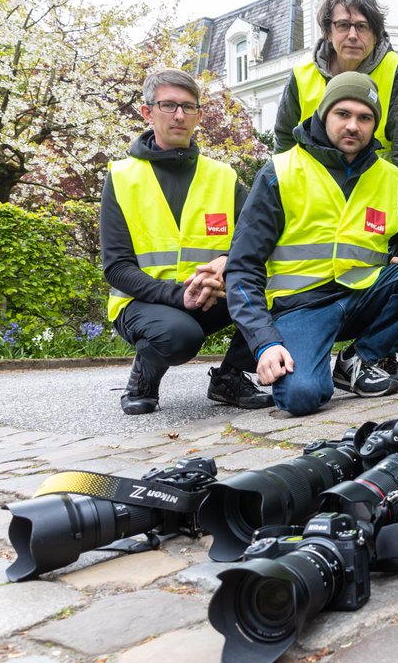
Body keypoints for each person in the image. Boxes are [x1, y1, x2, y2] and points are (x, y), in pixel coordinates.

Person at [227, 72, 398, 416]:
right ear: (323, 114)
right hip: (302, 308)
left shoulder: (388, 176)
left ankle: (358, 360)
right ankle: (319, 370)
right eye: (342, 114)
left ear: (374, 126)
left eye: (365, 118)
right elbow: (242, 268)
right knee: (301, 397)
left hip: (363, 296)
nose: (353, 126)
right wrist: (265, 342)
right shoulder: (280, 172)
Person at [101, 69, 272, 415]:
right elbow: (116, 268)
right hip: (142, 304)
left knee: (282, 291)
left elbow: (257, 237)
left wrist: (228, 260)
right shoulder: (121, 178)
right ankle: (144, 378)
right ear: (147, 112)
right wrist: (177, 295)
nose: (179, 115)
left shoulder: (223, 176)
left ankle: (229, 377)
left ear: (198, 115)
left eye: (188, 107)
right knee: (180, 336)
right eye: (168, 106)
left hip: (210, 296)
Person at [272, 0, 398, 384]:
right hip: (310, 191)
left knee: (394, 266)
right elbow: (284, 138)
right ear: (328, 30)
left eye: (363, 26)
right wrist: (287, 188)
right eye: (343, 25)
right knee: (301, 394)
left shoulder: (395, 70)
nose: (353, 35)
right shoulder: (303, 76)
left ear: (375, 32)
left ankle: (377, 355)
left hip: (375, 187)